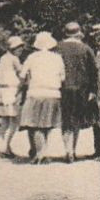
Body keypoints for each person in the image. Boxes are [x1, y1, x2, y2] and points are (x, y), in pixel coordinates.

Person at [54, 21, 97, 163]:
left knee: (66, 119)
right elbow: (93, 71)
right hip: (81, 90)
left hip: (63, 88)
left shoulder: (57, 48)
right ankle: (73, 149)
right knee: (77, 119)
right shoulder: (86, 49)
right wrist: (93, 90)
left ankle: (68, 150)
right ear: (79, 34)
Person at [18, 31, 65, 163]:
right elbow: (63, 77)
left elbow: (22, 76)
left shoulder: (32, 57)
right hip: (53, 93)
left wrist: (23, 86)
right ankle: (43, 152)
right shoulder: (57, 58)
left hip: (35, 93)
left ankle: (40, 153)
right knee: (47, 124)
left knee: (35, 124)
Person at [0, 35, 26, 158]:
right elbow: (21, 74)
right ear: (13, 48)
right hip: (10, 91)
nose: (21, 50)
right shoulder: (14, 59)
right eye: (19, 48)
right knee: (14, 121)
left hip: (1, 90)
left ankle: (6, 147)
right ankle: (4, 147)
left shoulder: (3, 58)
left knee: (5, 121)